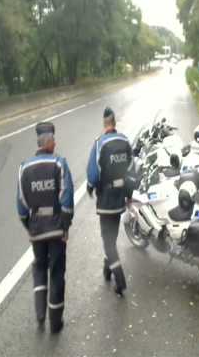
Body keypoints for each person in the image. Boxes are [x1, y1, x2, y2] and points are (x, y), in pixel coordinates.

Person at [16, 122, 74, 334]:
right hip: (56, 229)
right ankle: (55, 323)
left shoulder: (24, 168)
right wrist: (65, 227)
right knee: (57, 272)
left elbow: (21, 206)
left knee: (40, 266)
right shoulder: (59, 164)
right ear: (48, 142)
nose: (56, 143)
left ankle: (40, 313)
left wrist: (29, 226)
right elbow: (67, 201)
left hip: (37, 229)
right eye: (54, 139)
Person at [86, 107, 133, 296]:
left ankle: (119, 279)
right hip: (119, 198)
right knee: (111, 238)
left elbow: (93, 173)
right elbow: (131, 168)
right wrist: (128, 193)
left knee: (108, 243)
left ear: (104, 124)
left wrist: (90, 187)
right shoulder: (125, 141)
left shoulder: (100, 144)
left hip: (106, 200)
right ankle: (108, 269)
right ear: (114, 123)